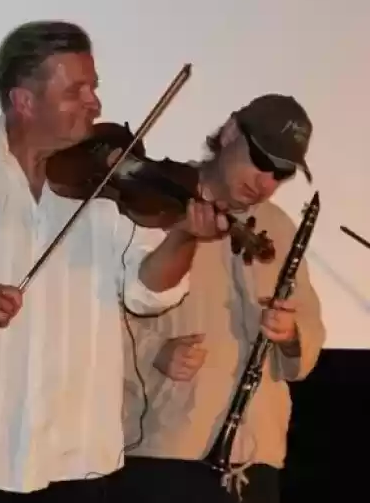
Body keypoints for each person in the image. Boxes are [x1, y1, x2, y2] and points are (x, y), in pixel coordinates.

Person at [0, 20, 226, 502]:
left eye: (94, 87)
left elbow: (147, 291)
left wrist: (183, 237)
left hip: (76, 454)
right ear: (24, 101)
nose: (95, 103)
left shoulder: (110, 185)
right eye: (76, 91)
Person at [112, 94, 326, 503]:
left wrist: (291, 336)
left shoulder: (280, 228)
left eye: (281, 173)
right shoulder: (150, 202)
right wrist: (153, 351)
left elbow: (309, 332)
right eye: (260, 160)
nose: (266, 183)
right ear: (229, 133)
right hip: (165, 451)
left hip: (256, 459)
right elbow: (91, 318)